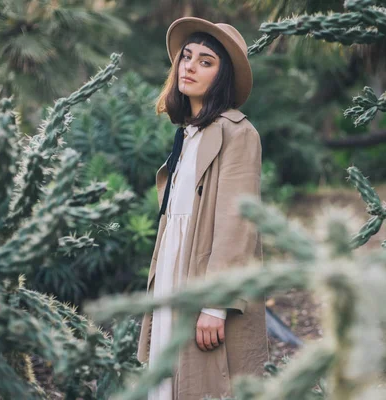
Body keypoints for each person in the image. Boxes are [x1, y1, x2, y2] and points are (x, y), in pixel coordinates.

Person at [136, 16, 269, 400]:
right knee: (168, 375)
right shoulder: (187, 134)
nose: (190, 66)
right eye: (187, 57)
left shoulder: (238, 132)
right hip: (172, 270)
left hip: (203, 273)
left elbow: (237, 221)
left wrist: (216, 303)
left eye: (205, 61)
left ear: (222, 76)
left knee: (205, 381)